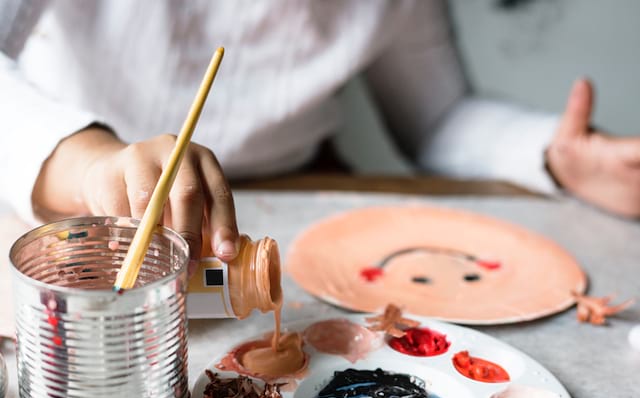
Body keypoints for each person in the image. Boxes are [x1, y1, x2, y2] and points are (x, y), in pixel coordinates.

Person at [1, 0, 638, 269]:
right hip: (65, 195)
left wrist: (553, 160)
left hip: (297, 196)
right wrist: (90, 162)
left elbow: (439, 118)